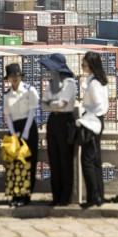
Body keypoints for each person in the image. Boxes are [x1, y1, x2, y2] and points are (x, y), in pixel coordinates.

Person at [40, 53, 77, 206]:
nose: (49, 71)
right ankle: (56, 196)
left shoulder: (70, 83)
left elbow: (60, 104)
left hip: (65, 121)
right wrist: (51, 103)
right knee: (53, 159)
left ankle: (65, 198)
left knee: (65, 160)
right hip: (52, 121)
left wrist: (50, 103)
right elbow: (43, 105)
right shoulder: (51, 84)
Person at [3, 63, 40, 207]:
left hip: (29, 128)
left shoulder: (30, 91)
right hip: (14, 129)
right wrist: (13, 134)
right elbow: (8, 116)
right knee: (13, 164)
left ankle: (25, 196)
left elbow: (32, 113)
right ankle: (15, 195)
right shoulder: (7, 95)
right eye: (12, 76)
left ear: (20, 76)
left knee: (28, 164)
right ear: (8, 79)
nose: (14, 78)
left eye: (16, 76)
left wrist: (24, 133)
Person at [79, 51, 110, 209]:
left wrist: (87, 118)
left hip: (92, 123)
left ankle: (93, 197)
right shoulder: (99, 81)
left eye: (84, 64)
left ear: (91, 65)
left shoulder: (94, 83)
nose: (82, 66)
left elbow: (99, 105)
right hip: (98, 121)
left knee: (87, 161)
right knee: (96, 160)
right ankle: (99, 196)